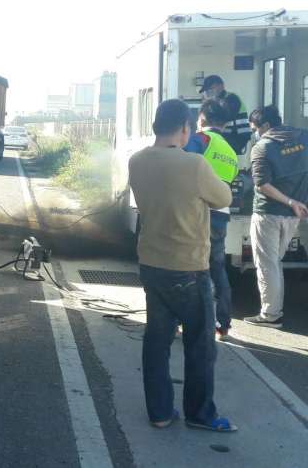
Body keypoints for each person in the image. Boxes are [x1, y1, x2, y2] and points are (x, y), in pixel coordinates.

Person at [129, 99, 236, 432]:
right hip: (188, 268)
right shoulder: (194, 165)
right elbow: (224, 198)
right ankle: (200, 414)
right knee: (200, 345)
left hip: (151, 264)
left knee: (157, 341)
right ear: (185, 128)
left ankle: (160, 413)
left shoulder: (137, 161)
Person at [244, 106, 308, 327]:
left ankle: (271, 315)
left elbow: (262, 185)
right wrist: (297, 202)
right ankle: (274, 310)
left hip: (268, 212)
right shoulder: (304, 138)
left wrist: (289, 201)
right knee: (275, 262)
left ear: (266, 126)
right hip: (294, 215)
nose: (254, 133)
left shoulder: (262, 147)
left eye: (255, 129)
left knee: (267, 264)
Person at [184, 100, 239, 340]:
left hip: (197, 213)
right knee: (217, 270)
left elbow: (183, 163)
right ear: (225, 124)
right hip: (221, 215)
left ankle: (183, 320)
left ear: (202, 119)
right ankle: (223, 324)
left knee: (187, 268)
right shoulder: (230, 150)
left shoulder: (201, 139)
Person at [199, 75, 252, 154]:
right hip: (224, 138)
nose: (208, 93)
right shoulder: (216, 102)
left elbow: (221, 118)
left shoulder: (231, 98)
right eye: (205, 91)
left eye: (210, 89)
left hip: (236, 138)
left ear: (221, 86)